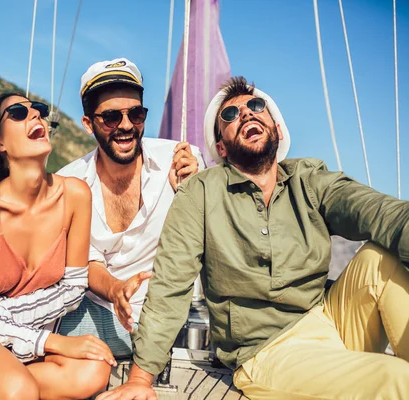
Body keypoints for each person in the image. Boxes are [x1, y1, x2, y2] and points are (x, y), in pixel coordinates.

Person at [99, 76, 409, 400]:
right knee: (397, 378)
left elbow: (381, 213)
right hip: (269, 352)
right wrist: (140, 377)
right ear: (221, 147)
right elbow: (170, 285)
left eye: (256, 106)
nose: (246, 113)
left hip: (330, 319)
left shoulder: (309, 179)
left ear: (275, 127)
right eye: (230, 116)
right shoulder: (201, 193)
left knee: (378, 259)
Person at [0, 92, 113, 400]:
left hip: (20, 340)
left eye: (37, 109)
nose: (35, 115)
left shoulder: (75, 195)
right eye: (17, 113)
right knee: (18, 391)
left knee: (95, 368)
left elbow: (75, 287)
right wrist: (52, 342)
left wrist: (7, 315)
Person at [57, 57, 204, 358]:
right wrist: (116, 290)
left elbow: (210, 232)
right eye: (111, 117)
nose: (126, 126)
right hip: (96, 306)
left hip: (163, 316)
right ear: (88, 124)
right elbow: (86, 262)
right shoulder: (68, 182)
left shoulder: (180, 161)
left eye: (136, 114)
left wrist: (196, 189)